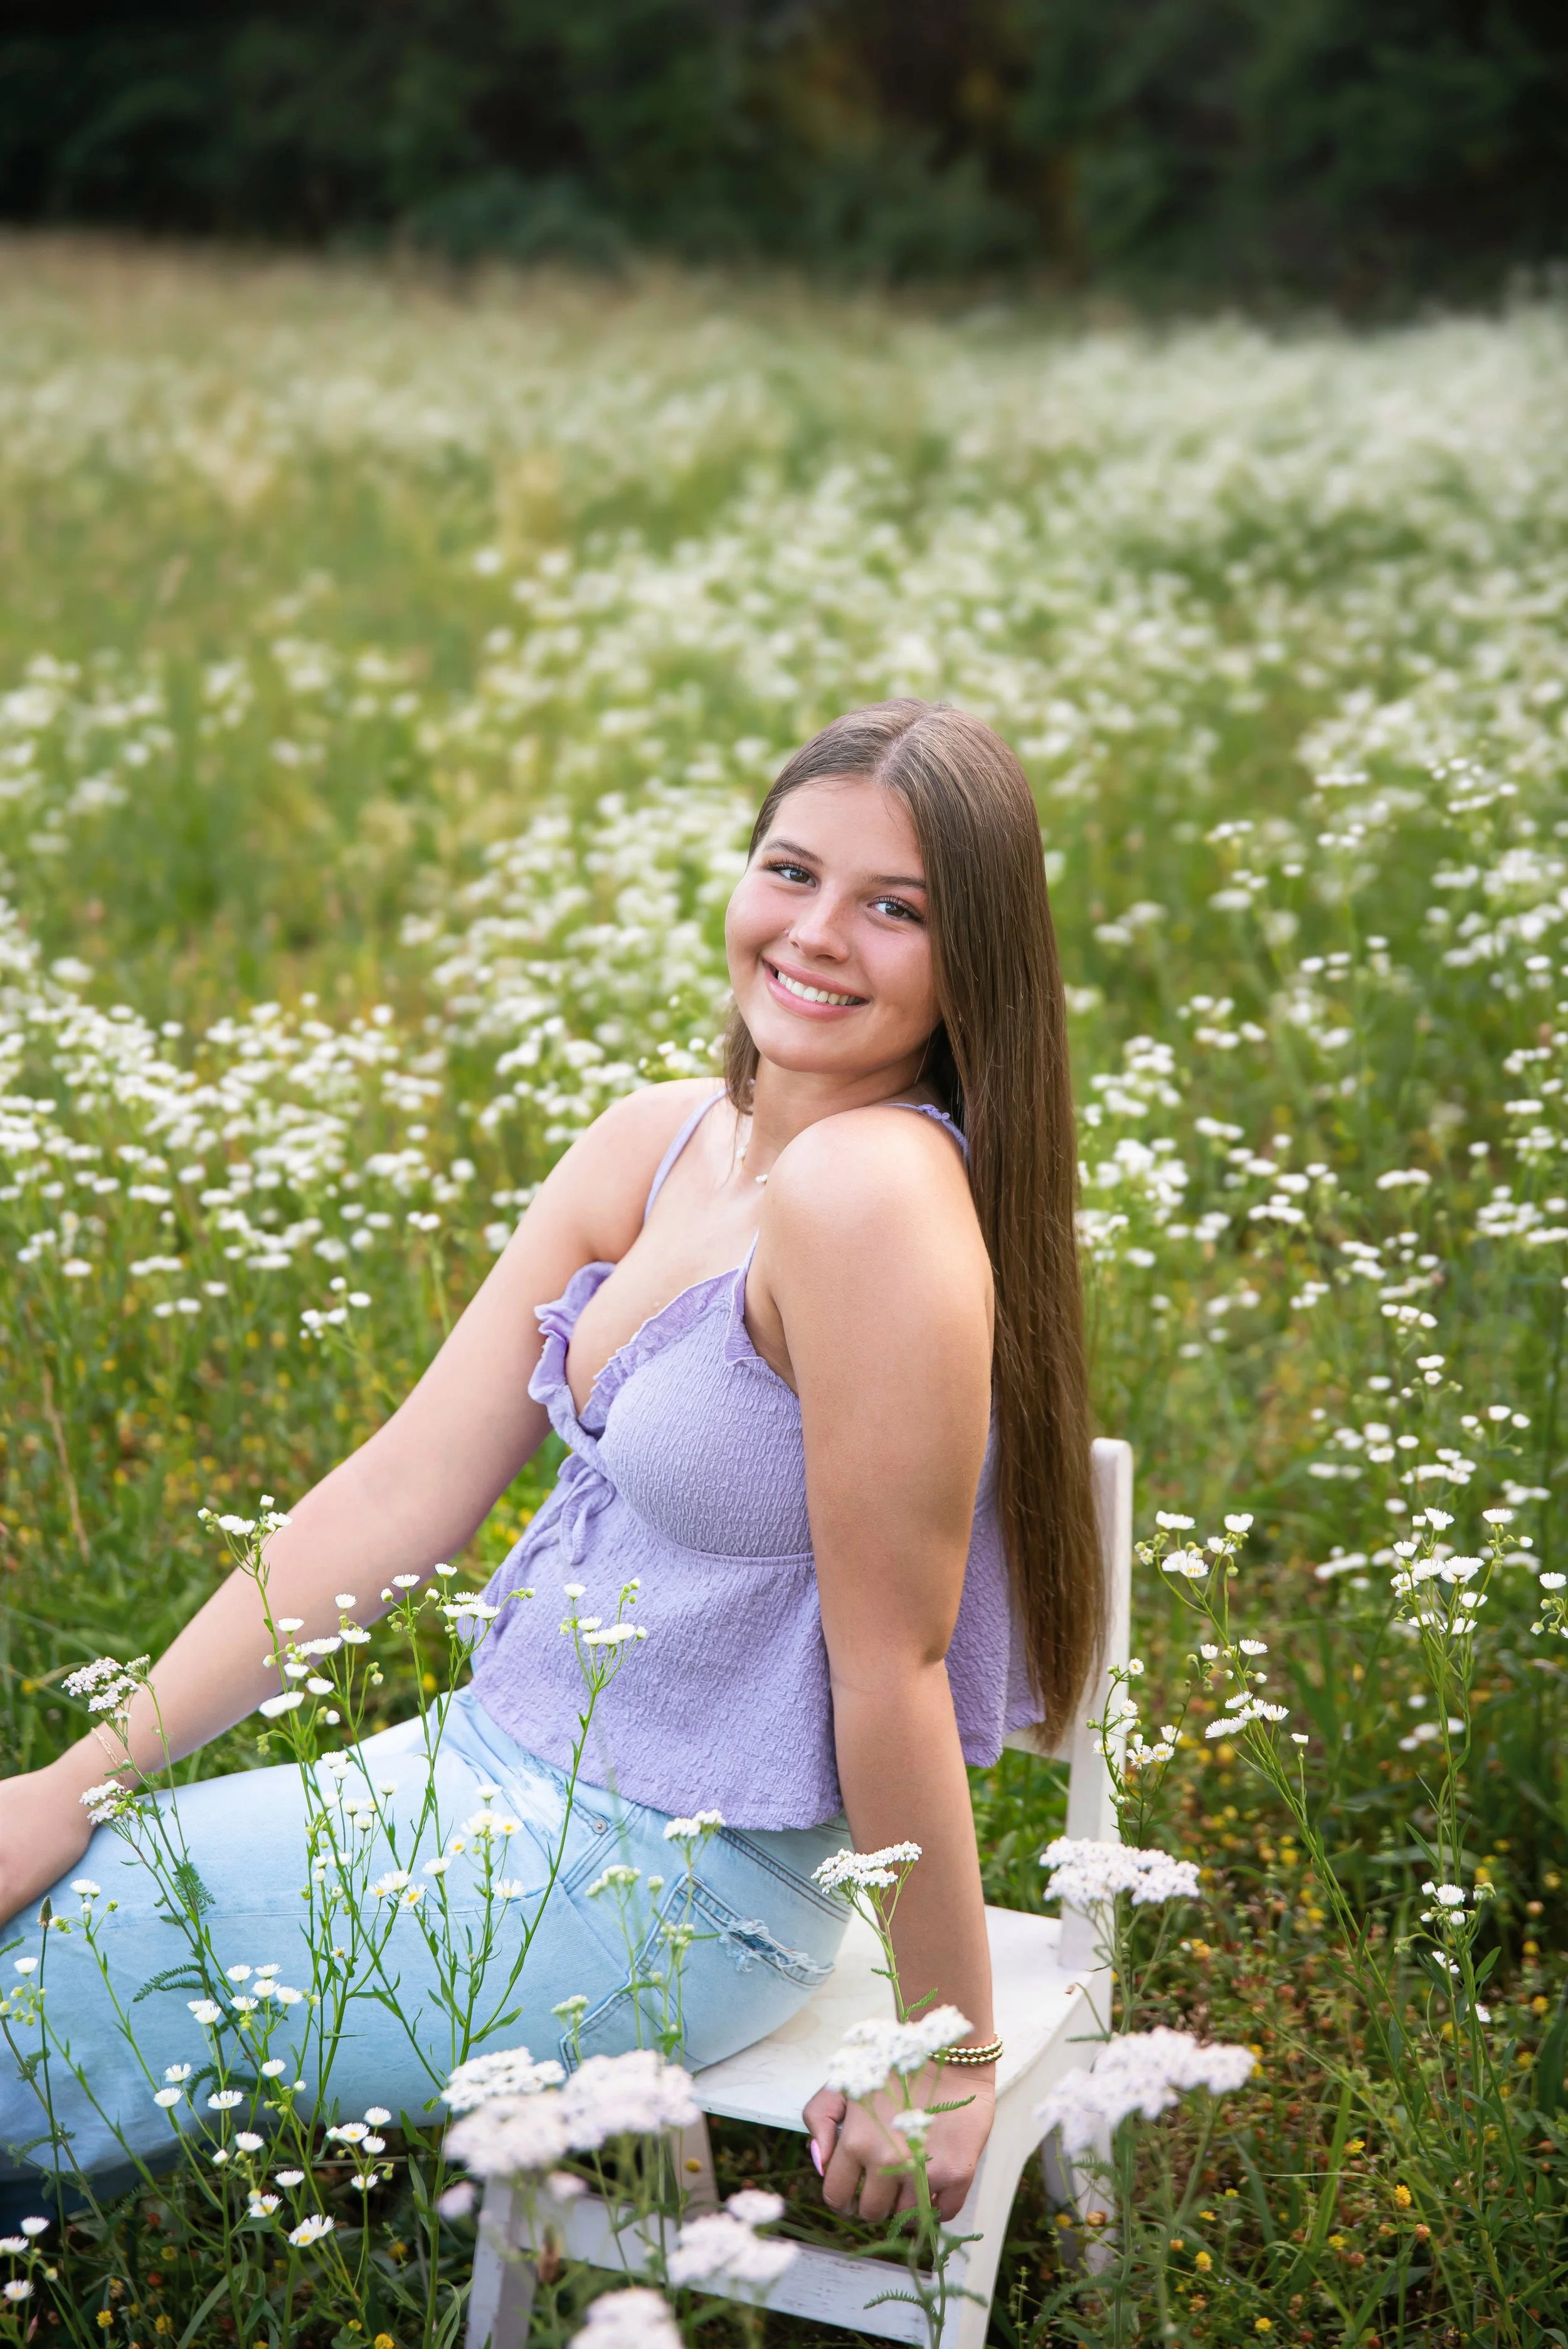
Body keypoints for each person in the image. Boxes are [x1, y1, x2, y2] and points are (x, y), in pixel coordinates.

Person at [0, 698, 1101, 2226]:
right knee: (66, 1888)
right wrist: (77, 1778)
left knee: (69, 1950)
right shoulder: (665, 1143)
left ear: (971, 958)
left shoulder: (869, 1196)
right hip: (484, 1770)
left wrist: (951, 2053)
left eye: (893, 908)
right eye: (790, 872)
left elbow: (894, 1666)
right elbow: (402, 1493)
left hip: (676, 1887)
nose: (817, 934)